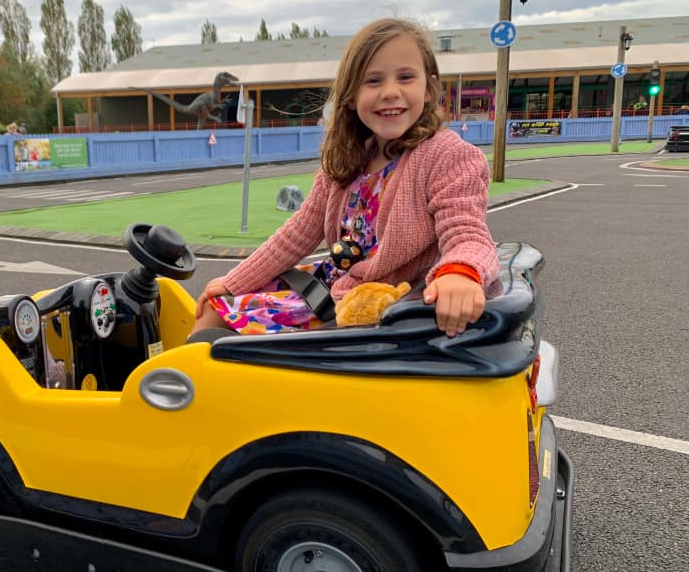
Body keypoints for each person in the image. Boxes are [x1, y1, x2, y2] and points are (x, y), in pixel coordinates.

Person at [192, 17, 500, 339]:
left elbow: (467, 234)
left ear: (429, 88)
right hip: (332, 287)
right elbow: (296, 235)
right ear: (351, 97)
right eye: (373, 81)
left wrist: (460, 274)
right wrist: (233, 281)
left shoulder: (447, 156)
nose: (390, 92)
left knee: (219, 340)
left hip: (380, 306)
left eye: (406, 77)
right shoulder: (349, 160)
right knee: (215, 309)